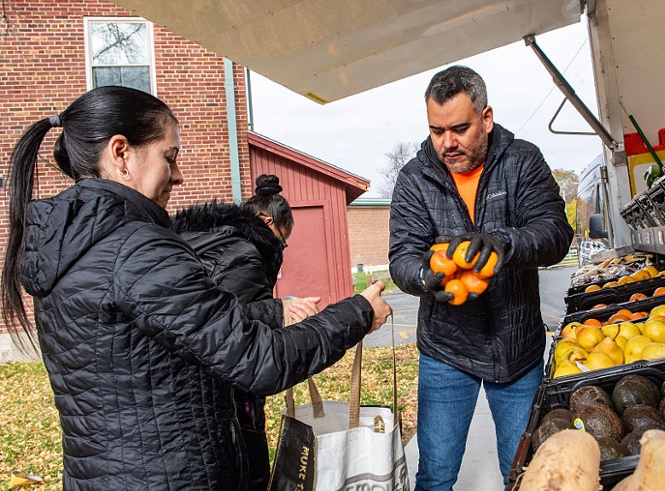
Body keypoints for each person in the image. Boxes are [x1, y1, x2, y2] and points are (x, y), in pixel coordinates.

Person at [0, 86, 392, 491]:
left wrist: (274, 312)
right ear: (121, 154)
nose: (179, 174)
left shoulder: (67, 244)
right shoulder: (136, 249)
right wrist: (358, 312)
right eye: (169, 157)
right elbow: (261, 361)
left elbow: (169, 330)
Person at [388, 65, 573, 489]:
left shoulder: (522, 159)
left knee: (522, 473)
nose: (447, 143)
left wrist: (504, 244)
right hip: (446, 350)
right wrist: (423, 275)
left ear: (486, 118)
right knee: (434, 475)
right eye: (436, 131)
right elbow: (403, 256)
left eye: (459, 128)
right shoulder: (415, 178)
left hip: (517, 348)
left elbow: (555, 233)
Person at [170, 174, 319, 490]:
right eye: (282, 239)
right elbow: (242, 338)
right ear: (267, 222)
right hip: (231, 404)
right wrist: (279, 312)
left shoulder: (199, 239)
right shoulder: (244, 254)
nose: (281, 249)